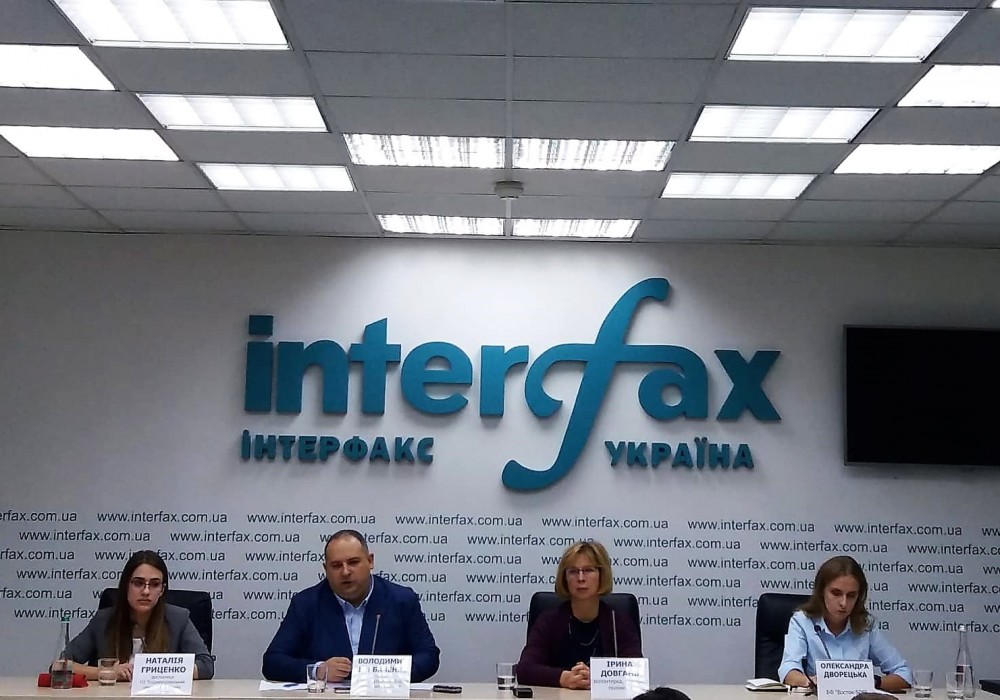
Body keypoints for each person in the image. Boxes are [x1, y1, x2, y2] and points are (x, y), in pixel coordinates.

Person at [262, 529, 440, 682]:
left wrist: (387, 675)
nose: (345, 572)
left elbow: (429, 656)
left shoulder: (401, 600)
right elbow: (272, 662)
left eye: (353, 562)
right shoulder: (306, 604)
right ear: (326, 569)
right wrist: (318, 670)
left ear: (370, 561)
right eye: (336, 565)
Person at [64, 549, 214, 681]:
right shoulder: (103, 620)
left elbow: (206, 666)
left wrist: (157, 672)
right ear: (126, 586)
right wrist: (107, 672)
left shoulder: (178, 619)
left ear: (162, 590)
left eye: (154, 584)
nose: (146, 591)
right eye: (138, 583)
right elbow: (62, 665)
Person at [516, 540, 642, 689]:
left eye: (588, 570)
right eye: (573, 571)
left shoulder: (618, 622)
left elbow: (636, 674)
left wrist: (597, 677)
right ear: (565, 578)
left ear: (602, 576)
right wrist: (563, 678)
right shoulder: (549, 620)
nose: (581, 578)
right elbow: (524, 669)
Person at [779, 555, 912, 692]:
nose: (844, 603)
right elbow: (788, 670)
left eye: (851, 595)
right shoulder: (803, 621)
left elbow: (904, 674)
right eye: (836, 593)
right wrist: (811, 682)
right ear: (821, 592)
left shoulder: (866, 625)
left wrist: (872, 682)